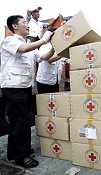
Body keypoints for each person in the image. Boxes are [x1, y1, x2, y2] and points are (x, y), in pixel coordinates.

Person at [0, 15, 55, 168]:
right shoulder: (9, 41)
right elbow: (23, 49)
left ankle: (14, 151)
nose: (27, 25)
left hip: (24, 87)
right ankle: (21, 156)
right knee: (20, 121)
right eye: (24, 22)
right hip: (13, 87)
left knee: (21, 121)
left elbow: (44, 57)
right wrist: (44, 39)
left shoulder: (29, 44)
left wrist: (54, 47)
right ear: (14, 26)